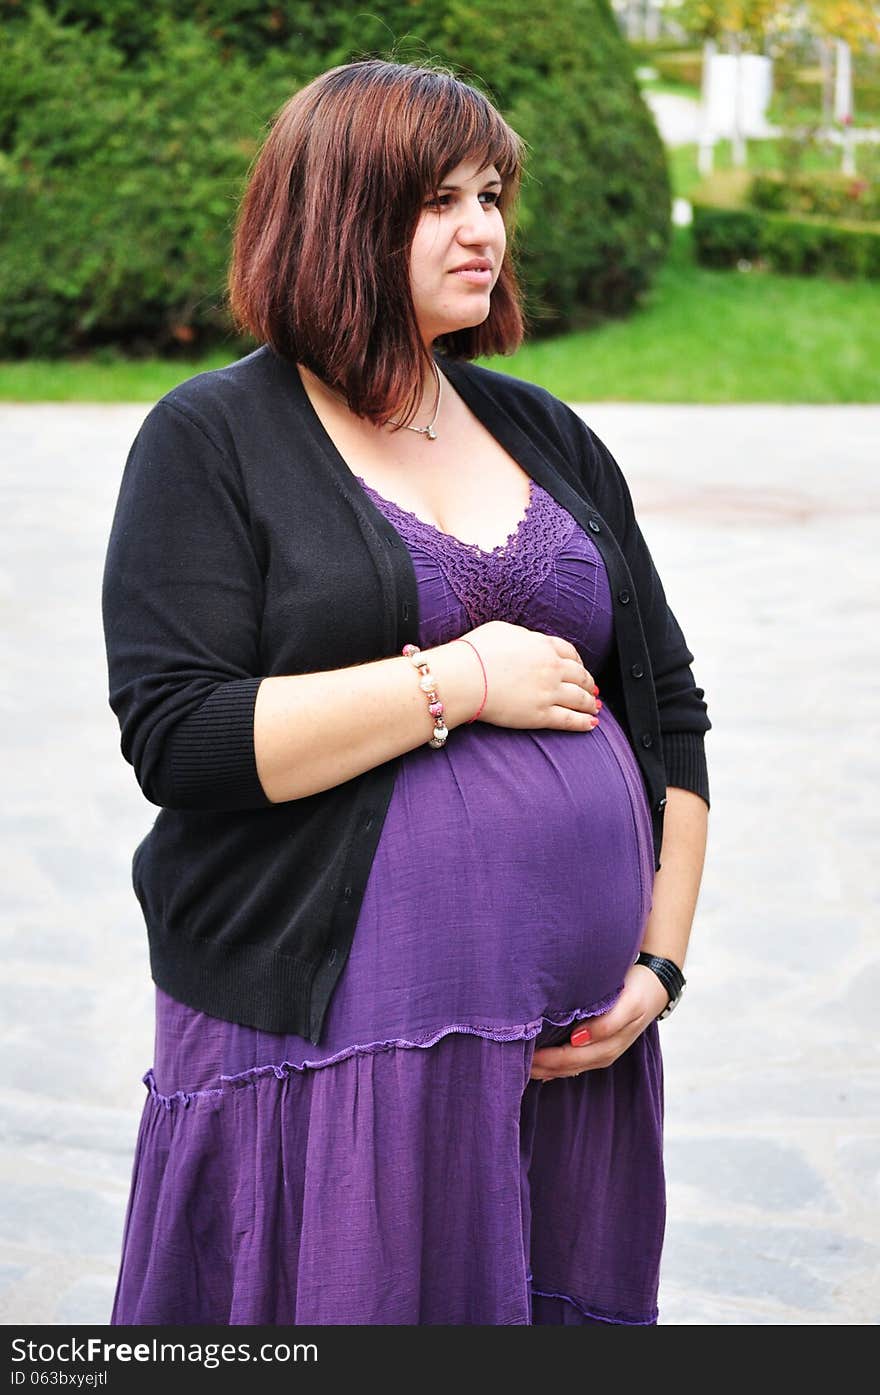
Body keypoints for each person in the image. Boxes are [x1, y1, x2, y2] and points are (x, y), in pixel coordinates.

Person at [101, 57, 710, 1327]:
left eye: (491, 194)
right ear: (336, 217)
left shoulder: (544, 431)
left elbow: (670, 713)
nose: (483, 228)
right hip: (337, 1061)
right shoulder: (211, 439)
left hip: (570, 1057)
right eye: (437, 200)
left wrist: (657, 963)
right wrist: (459, 678)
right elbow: (184, 737)